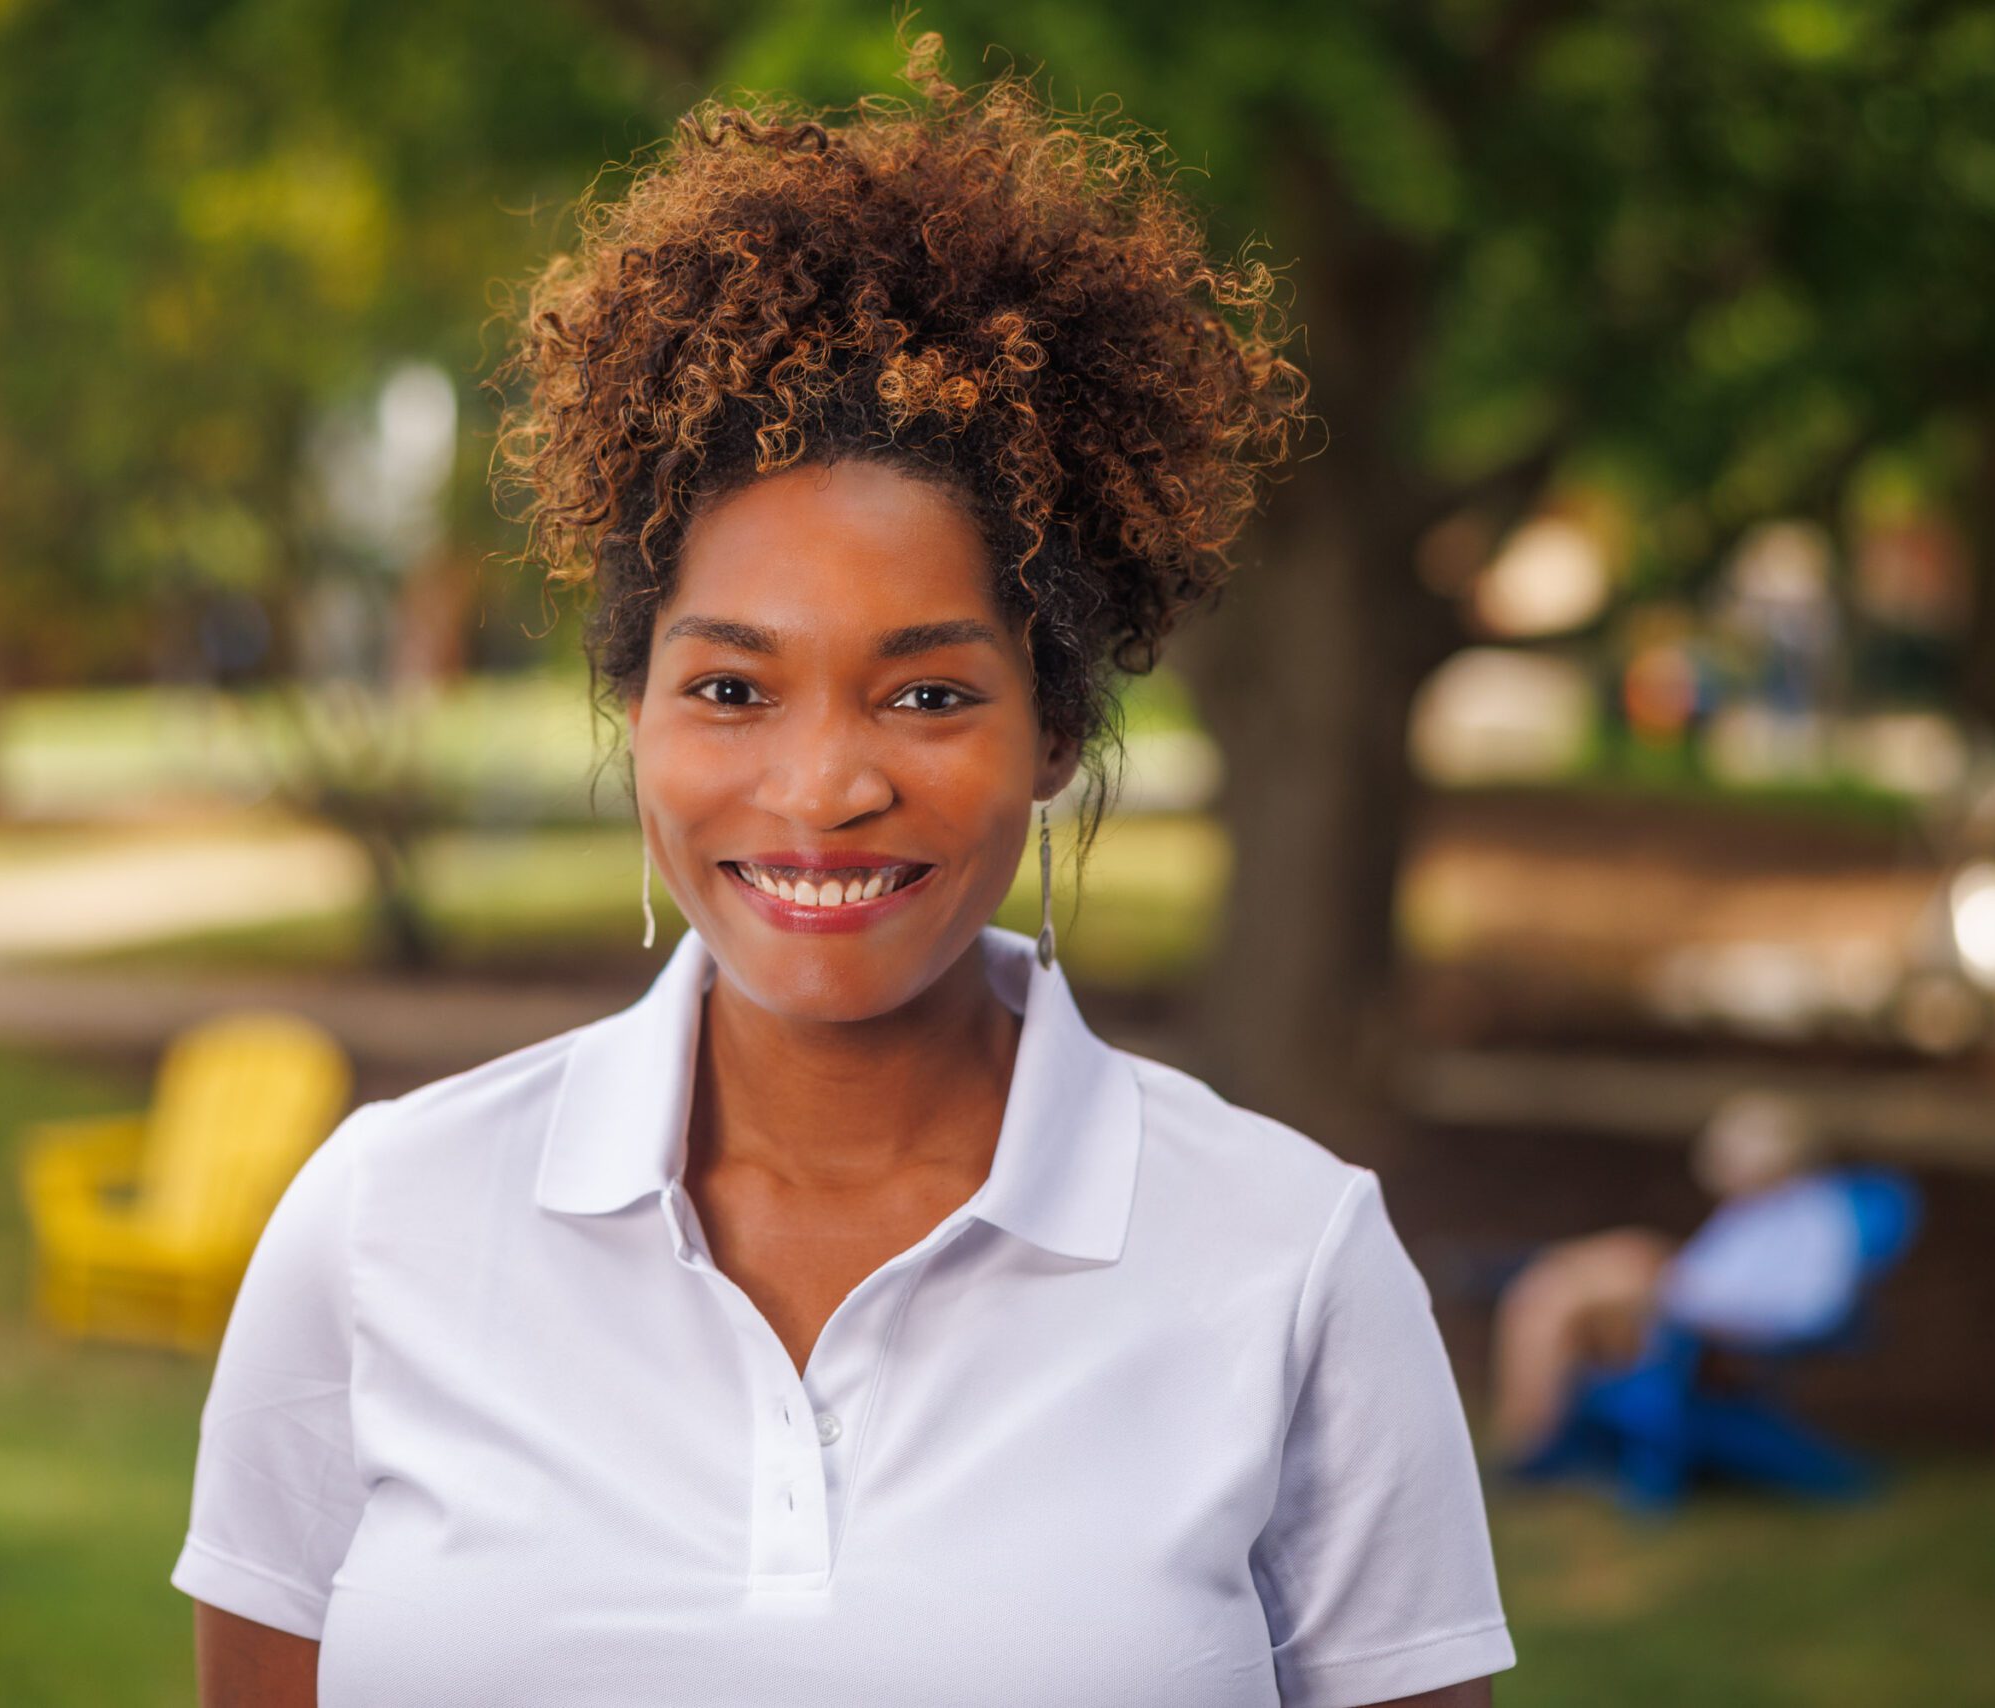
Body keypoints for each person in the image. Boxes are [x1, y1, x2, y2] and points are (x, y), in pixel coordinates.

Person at [172, 38, 1514, 1708]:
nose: (821, 786)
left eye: (929, 690)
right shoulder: (380, 1227)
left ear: (1056, 726)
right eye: (731, 687)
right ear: (638, 711)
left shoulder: (1293, 1262)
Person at [1488, 1090, 1858, 1466]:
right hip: (1687, 1310)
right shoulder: (1756, 1210)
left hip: (1706, 1334)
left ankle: (1528, 1442)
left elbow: (1808, 1308)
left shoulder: (1812, 1218)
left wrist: (1685, 1298)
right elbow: (1716, 1270)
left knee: (1556, 1299)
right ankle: (1530, 1434)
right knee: (1559, 1288)